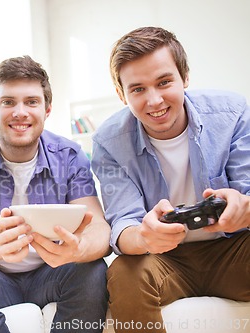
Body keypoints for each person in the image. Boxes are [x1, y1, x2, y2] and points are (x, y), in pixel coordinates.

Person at [91, 26, 250, 333]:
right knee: (124, 274)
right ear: (121, 94)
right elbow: (123, 223)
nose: (154, 101)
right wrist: (144, 236)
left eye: (164, 82)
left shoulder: (232, 112)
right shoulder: (108, 142)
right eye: (137, 89)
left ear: (185, 77)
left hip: (233, 248)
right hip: (164, 260)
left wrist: (244, 209)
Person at [0, 55, 110, 333]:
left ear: (47, 109)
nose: (20, 112)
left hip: (52, 272)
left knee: (92, 269)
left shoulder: (69, 155)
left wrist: (78, 248)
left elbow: (100, 229)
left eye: (31, 102)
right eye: (8, 102)